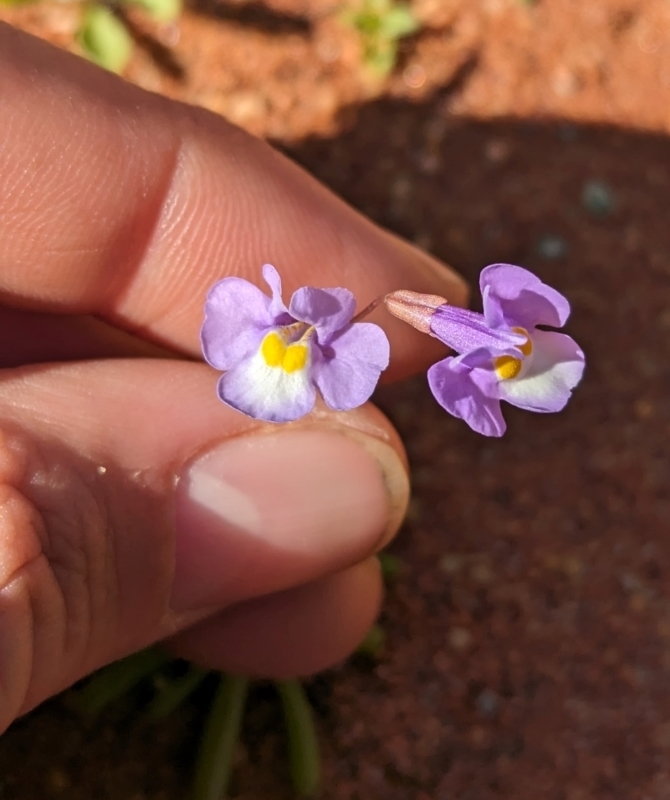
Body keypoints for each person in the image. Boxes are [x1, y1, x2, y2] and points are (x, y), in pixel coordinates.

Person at [0, 22, 466, 733]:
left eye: (302, 331)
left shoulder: (338, 346)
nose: (295, 334)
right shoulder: (294, 336)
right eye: (290, 327)